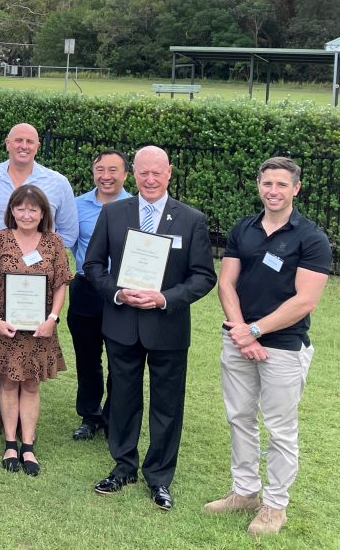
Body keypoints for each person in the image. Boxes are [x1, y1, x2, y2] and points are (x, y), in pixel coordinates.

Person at [85, 145, 217, 511]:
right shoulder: (114, 213)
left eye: (157, 172)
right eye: (144, 172)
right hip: (122, 324)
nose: (150, 179)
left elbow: (204, 276)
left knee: (167, 405)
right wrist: (117, 293)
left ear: (169, 173)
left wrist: (164, 298)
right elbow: (93, 266)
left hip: (168, 327)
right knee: (123, 400)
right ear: (134, 174)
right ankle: (123, 466)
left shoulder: (191, 219)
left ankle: (159, 477)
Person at [208, 157, 329, 536]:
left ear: (296, 187)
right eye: (267, 183)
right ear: (258, 185)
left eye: (281, 184)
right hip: (239, 340)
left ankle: (276, 505)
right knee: (239, 417)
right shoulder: (243, 228)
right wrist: (242, 331)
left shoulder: (311, 238)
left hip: (284, 347)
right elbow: (226, 283)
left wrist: (255, 331)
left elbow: (305, 300)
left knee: (280, 428)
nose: (273, 191)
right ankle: (245, 491)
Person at [0, 123, 77, 438]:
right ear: (7, 143)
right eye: (18, 140)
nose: (24, 145)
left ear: (38, 145)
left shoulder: (57, 183)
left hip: (38, 288)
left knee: (30, 349)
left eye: (30, 141)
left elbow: (67, 232)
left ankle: (22, 423)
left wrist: (40, 256)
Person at [0, 185, 71, 476]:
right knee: (8, 383)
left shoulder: (54, 242)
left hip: (39, 329)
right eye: (20, 208)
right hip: (5, 327)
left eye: (33, 209)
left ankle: (28, 445)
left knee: (31, 384)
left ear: (43, 212)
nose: (26, 214)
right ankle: (10, 442)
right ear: (12, 211)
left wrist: (53, 319)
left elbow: (60, 284)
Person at [69, 150, 130, 441]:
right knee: (87, 357)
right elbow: (65, 241)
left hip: (123, 292)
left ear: (125, 175)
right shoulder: (76, 205)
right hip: (85, 289)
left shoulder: (135, 206)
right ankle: (89, 415)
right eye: (100, 169)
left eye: (113, 170)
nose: (106, 176)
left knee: (121, 357)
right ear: (93, 172)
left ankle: (114, 417)